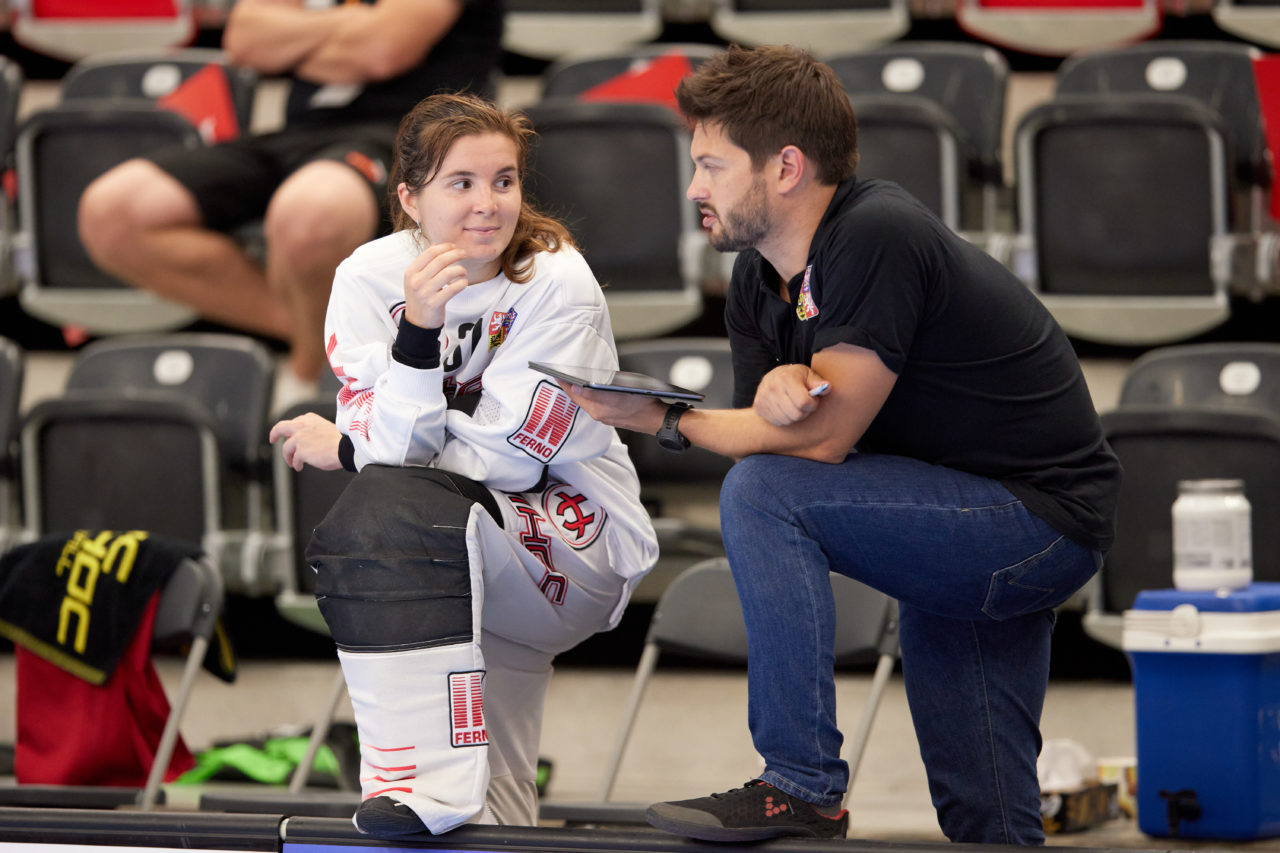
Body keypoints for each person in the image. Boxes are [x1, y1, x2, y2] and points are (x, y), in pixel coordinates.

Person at [562, 45, 1122, 846]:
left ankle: (800, 781)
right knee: (987, 815)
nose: (694, 188)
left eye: (713, 166)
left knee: (759, 495)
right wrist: (772, 398)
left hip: (1036, 520)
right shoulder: (760, 279)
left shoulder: (876, 232)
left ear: (785, 167)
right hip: (948, 510)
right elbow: (776, 428)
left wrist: (663, 418)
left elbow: (812, 446)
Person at [267, 92, 659, 838]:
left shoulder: (558, 282)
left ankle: (417, 783)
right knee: (502, 796)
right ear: (410, 198)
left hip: (577, 543)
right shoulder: (366, 280)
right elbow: (410, 458)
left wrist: (353, 446)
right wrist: (418, 332)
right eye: (463, 183)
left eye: (504, 181)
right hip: (458, 556)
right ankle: (462, 803)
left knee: (380, 513)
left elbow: (509, 458)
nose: (489, 205)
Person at [78, 0, 502, 407]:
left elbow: (382, 50)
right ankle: (329, 337)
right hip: (297, 133)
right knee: (112, 212)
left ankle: (304, 380)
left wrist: (299, 42)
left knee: (309, 212)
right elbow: (245, 39)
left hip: (412, 137)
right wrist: (358, 24)